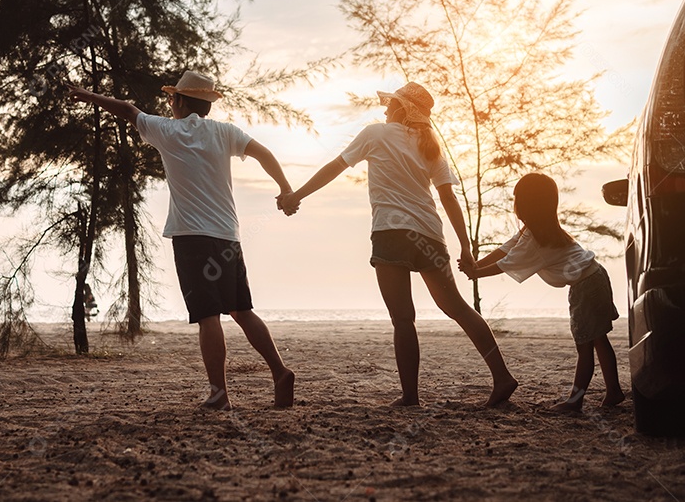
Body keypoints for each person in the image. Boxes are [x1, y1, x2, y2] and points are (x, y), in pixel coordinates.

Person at [278, 82, 518, 407]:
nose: (385, 108)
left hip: (392, 233)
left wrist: (296, 196)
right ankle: (502, 376)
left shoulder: (375, 134)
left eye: (390, 104)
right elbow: (448, 196)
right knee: (457, 307)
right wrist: (464, 246)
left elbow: (335, 167)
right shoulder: (430, 145)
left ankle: (410, 397)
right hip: (429, 234)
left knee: (403, 318)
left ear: (401, 109)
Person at [66, 71, 295, 411]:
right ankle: (279, 371)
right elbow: (264, 153)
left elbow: (128, 110)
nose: (169, 104)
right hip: (228, 235)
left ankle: (219, 395)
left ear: (182, 101)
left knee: (208, 317)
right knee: (242, 310)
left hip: (193, 238)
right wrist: (285, 188)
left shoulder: (168, 131)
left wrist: (87, 95)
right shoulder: (226, 132)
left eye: (172, 98)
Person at [460, 172, 624, 412]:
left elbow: (505, 264)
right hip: (596, 276)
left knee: (585, 346)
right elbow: (505, 249)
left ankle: (575, 401)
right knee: (599, 339)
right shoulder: (539, 230)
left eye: (516, 199)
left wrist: (476, 273)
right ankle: (614, 391)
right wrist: (476, 265)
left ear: (526, 204)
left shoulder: (536, 239)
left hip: (586, 286)